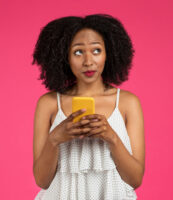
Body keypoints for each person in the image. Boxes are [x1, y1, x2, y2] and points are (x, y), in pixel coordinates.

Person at [32, 14, 145, 199]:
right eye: (78, 52)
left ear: (109, 53)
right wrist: (55, 138)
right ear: (64, 56)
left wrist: (111, 137)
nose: (88, 61)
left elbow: (135, 179)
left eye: (96, 50)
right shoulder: (49, 104)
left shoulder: (127, 103)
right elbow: (42, 181)